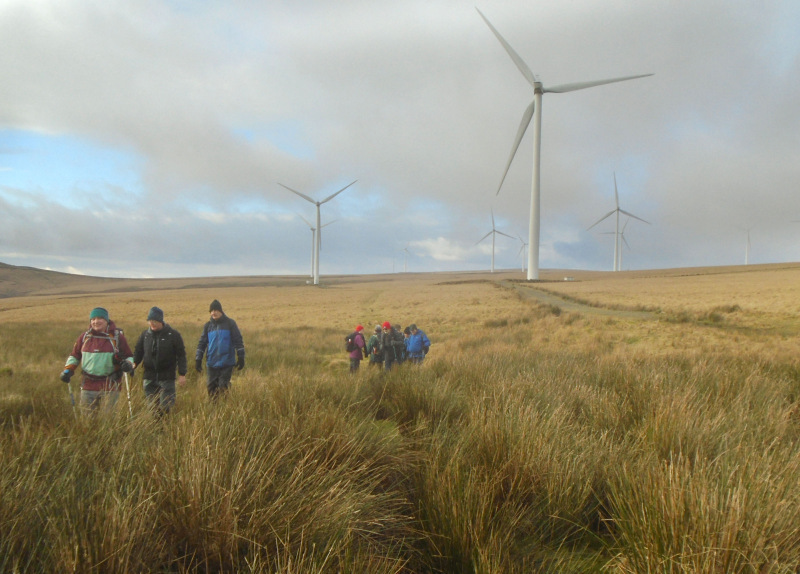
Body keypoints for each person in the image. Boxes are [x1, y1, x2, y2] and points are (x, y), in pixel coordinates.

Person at [60, 307, 134, 413]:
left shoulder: (117, 337)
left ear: (106, 320)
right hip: (88, 385)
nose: (96, 321)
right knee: (87, 421)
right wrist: (68, 370)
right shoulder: (84, 337)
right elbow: (75, 355)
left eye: (100, 318)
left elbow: (129, 356)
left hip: (110, 385)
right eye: (93, 319)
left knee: (108, 421)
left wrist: (128, 364)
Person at [133, 306, 187, 417]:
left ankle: (166, 429)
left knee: (166, 407)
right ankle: (155, 430)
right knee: (152, 407)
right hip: (149, 377)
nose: (152, 323)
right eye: (150, 321)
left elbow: (181, 355)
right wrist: (134, 363)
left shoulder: (173, 335)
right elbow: (139, 351)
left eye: (155, 321)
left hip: (167, 377)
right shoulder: (145, 335)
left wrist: (182, 374)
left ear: (161, 321)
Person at [195, 299, 245, 399]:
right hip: (212, 363)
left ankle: (225, 407)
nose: (214, 312)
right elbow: (202, 343)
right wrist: (198, 359)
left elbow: (238, 341)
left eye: (216, 310)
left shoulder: (230, 324)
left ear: (221, 311)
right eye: (212, 311)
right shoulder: (208, 326)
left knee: (223, 386)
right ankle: (214, 409)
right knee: (211, 388)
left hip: (227, 362)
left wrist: (241, 357)